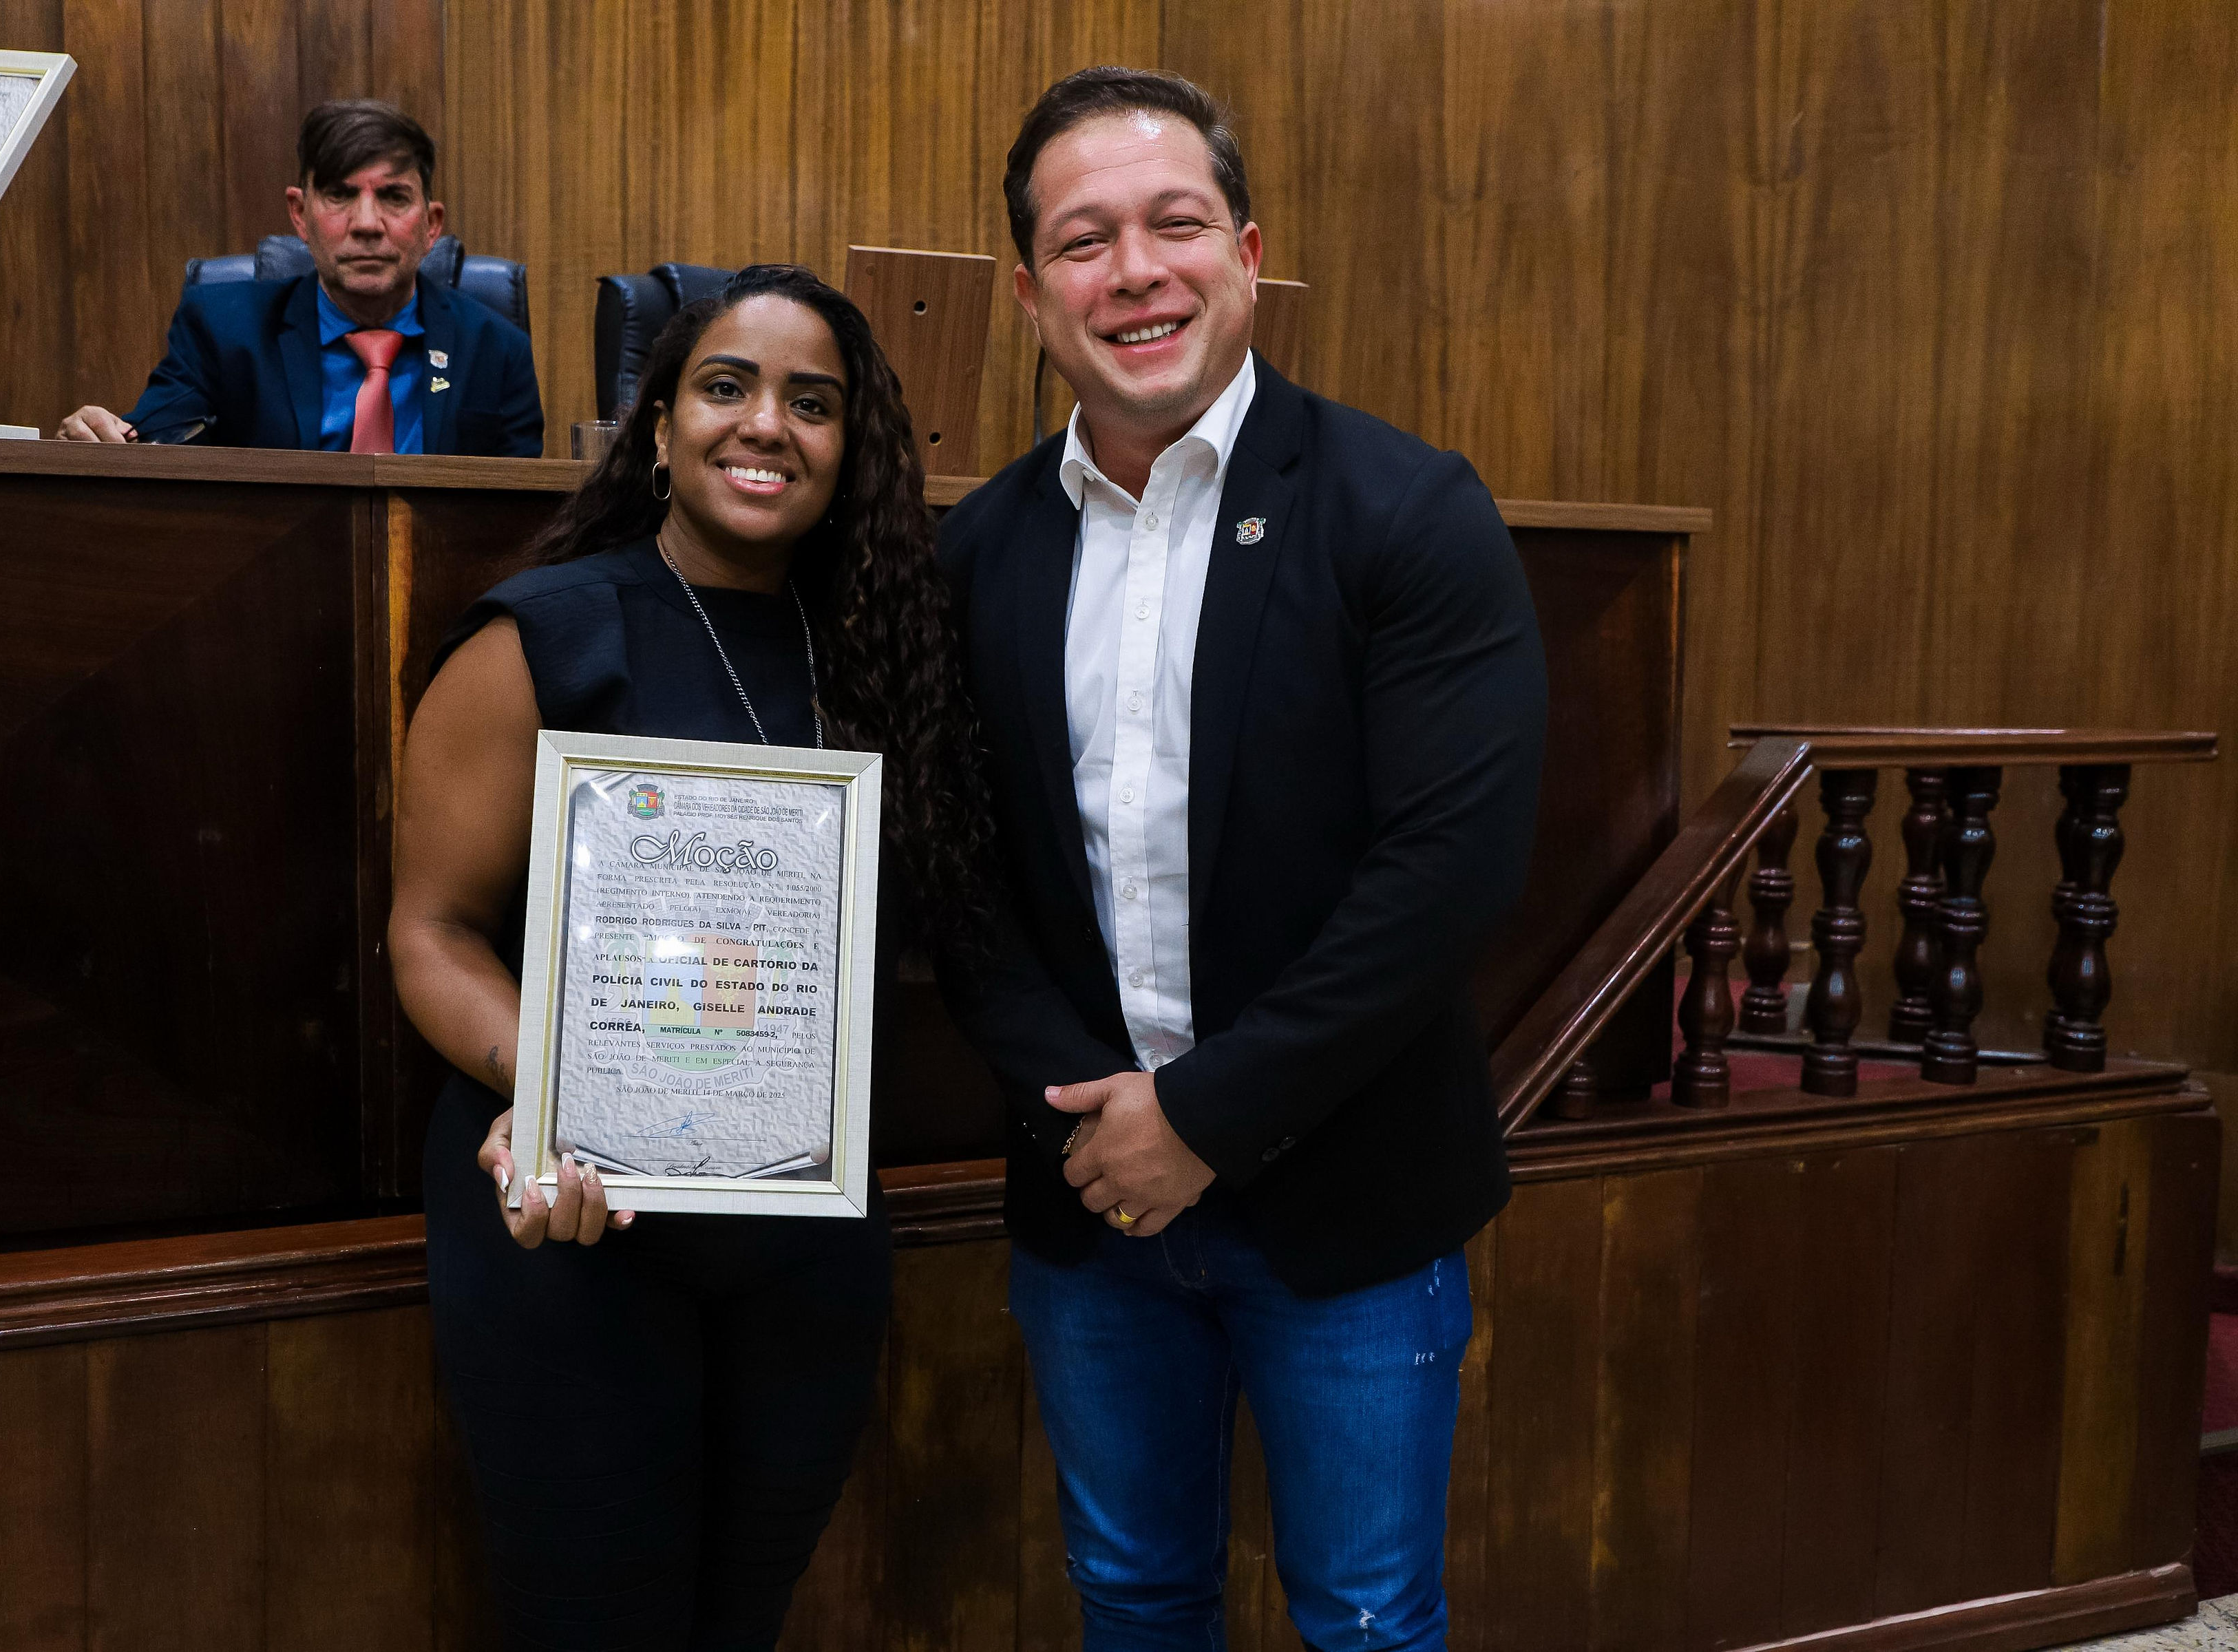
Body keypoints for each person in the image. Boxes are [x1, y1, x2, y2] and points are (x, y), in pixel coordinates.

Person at [938, 68, 1548, 1651]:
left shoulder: (1405, 508)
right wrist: (1094, 1114)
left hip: (1345, 1203)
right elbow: (957, 870)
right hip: (1088, 1201)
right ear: (1027, 293)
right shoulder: (979, 548)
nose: (1133, 269)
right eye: (1083, 240)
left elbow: (1445, 870)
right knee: (1133, 1593)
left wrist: (1201, 1114)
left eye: (1175, 223)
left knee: (1360, 1615)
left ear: (1250, 250)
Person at [390, 264, 987, 1648]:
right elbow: (431, 933)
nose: (765, 423)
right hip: (572, 1223)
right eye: (726, 387)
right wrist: (545, 1092)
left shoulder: (887, 658)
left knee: (742, 1619)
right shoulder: (541, 638)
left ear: (855, 450)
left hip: (805, 1236)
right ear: (656, 428)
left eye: (812, 402)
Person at [59, 100, 542, 454]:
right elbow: (148, 441)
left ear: (431, 224)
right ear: (300, 214)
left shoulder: (498, 350)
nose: (368, 224)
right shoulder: (223, 330)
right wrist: (93, 438)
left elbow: (517, 524)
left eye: (394, 197)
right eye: (340, 195)